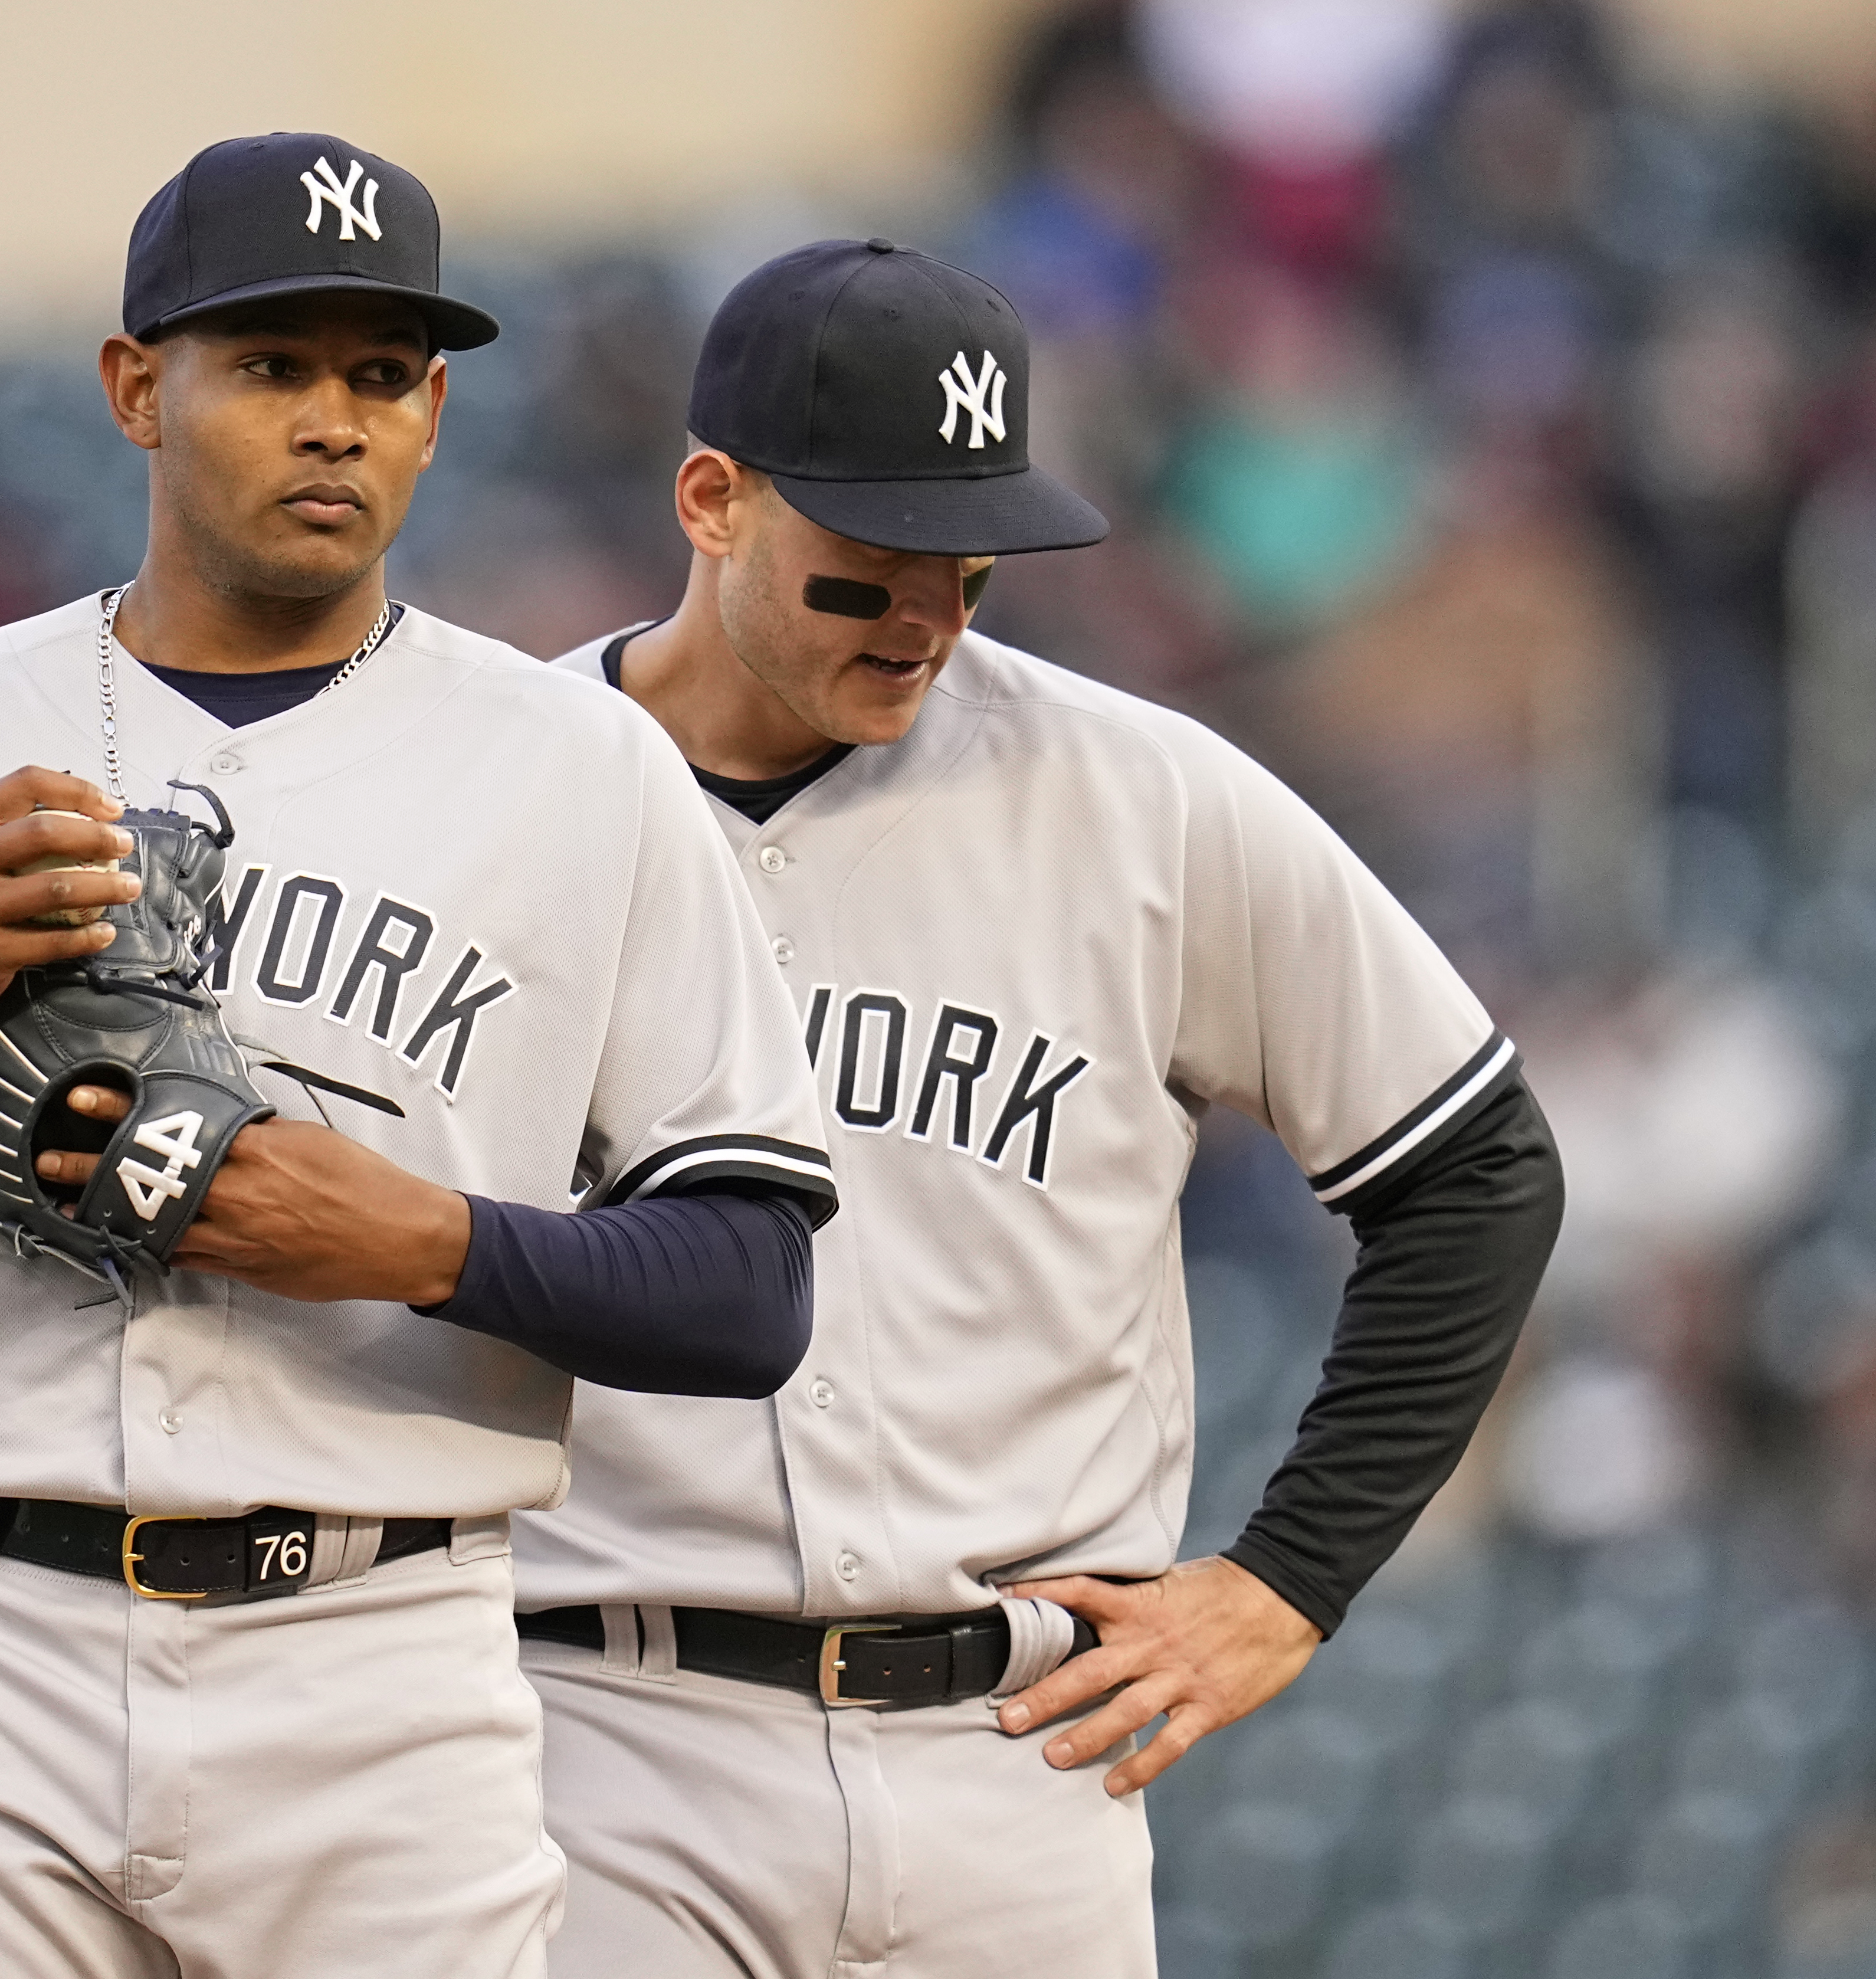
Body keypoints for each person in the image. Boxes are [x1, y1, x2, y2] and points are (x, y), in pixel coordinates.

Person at [0, 135, 838, 1979]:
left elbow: (752, 1285)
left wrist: (416, 1239)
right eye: (271, 366)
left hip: (381, 1676)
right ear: (136, 389)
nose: (333, 421)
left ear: (433, 413)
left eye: (381, 374)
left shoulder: (582, 774)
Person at [515, 238, 1564, 1975]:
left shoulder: (1140, 799)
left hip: (1013, 1758)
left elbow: (1475, 1166)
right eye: (873, 560)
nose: (928, 612)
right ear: (711, 499)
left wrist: (1288, 1576)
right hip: (598, 1747)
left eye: (970, 560)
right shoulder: (493, 790)